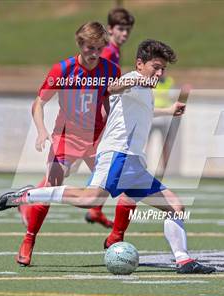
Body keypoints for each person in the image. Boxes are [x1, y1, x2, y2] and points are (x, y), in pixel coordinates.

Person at [0, 39, 216, 274]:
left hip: (134, 164)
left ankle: (183, 260)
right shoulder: (133, 80)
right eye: (156, 67)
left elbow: (143, 111)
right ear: (140, 64)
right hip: (117, 155)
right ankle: (27, 195)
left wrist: (169, 111)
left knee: (175, 206)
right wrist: (138, 79)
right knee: (89, 200)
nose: (160, 73)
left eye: (164, 69)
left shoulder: (145, 90)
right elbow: (115, 87)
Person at [14, 22, 121, 267]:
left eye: (99, 48)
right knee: (52, 186)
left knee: (116, 185)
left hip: (96, 138)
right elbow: (39, 103)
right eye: (89, 48)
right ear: (79, 44)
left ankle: (115, 236)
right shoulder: (63, 69)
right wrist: (41, 131)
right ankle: (29, 239)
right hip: (66, 137)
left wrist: (110, 128)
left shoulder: (111, 70)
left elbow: (108, 100)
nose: (94, 53)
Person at [84, 7, 136, 227]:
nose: (124, 34)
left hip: (99, 115)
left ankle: (95, 208)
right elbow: (96, 83)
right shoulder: (107, 52)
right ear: (110, 29)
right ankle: (29, 202)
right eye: (121, 29)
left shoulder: (113, 50)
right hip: (94, 117)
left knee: (105, 165)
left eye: (127, 30)